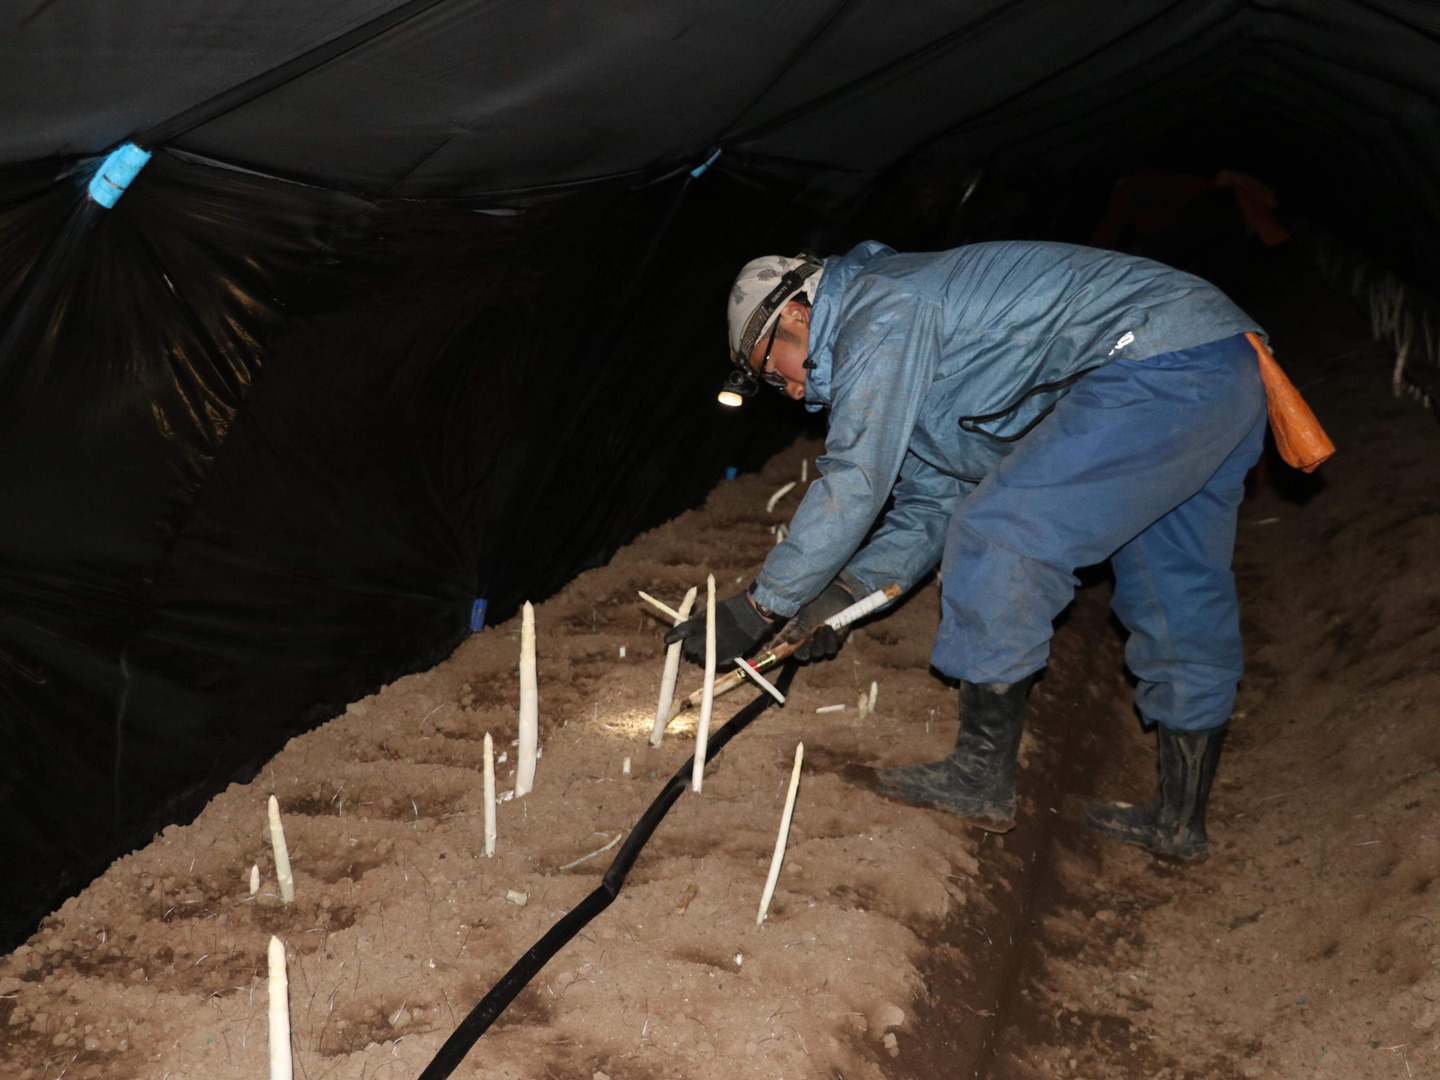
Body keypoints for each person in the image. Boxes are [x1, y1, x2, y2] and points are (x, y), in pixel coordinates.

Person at [668, 240, 1275, 863]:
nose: (789, 393)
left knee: (1000, 532)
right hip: (1220, 363)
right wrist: (842, 598)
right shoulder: (908, 338)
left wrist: (760, 607)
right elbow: (932, 504)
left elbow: (855, 479)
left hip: (1152, 361)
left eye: (773, 371)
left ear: (796, 314)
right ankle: (1178, 819)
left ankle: (979, 776)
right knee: (1171, 581)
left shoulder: (879, 309)